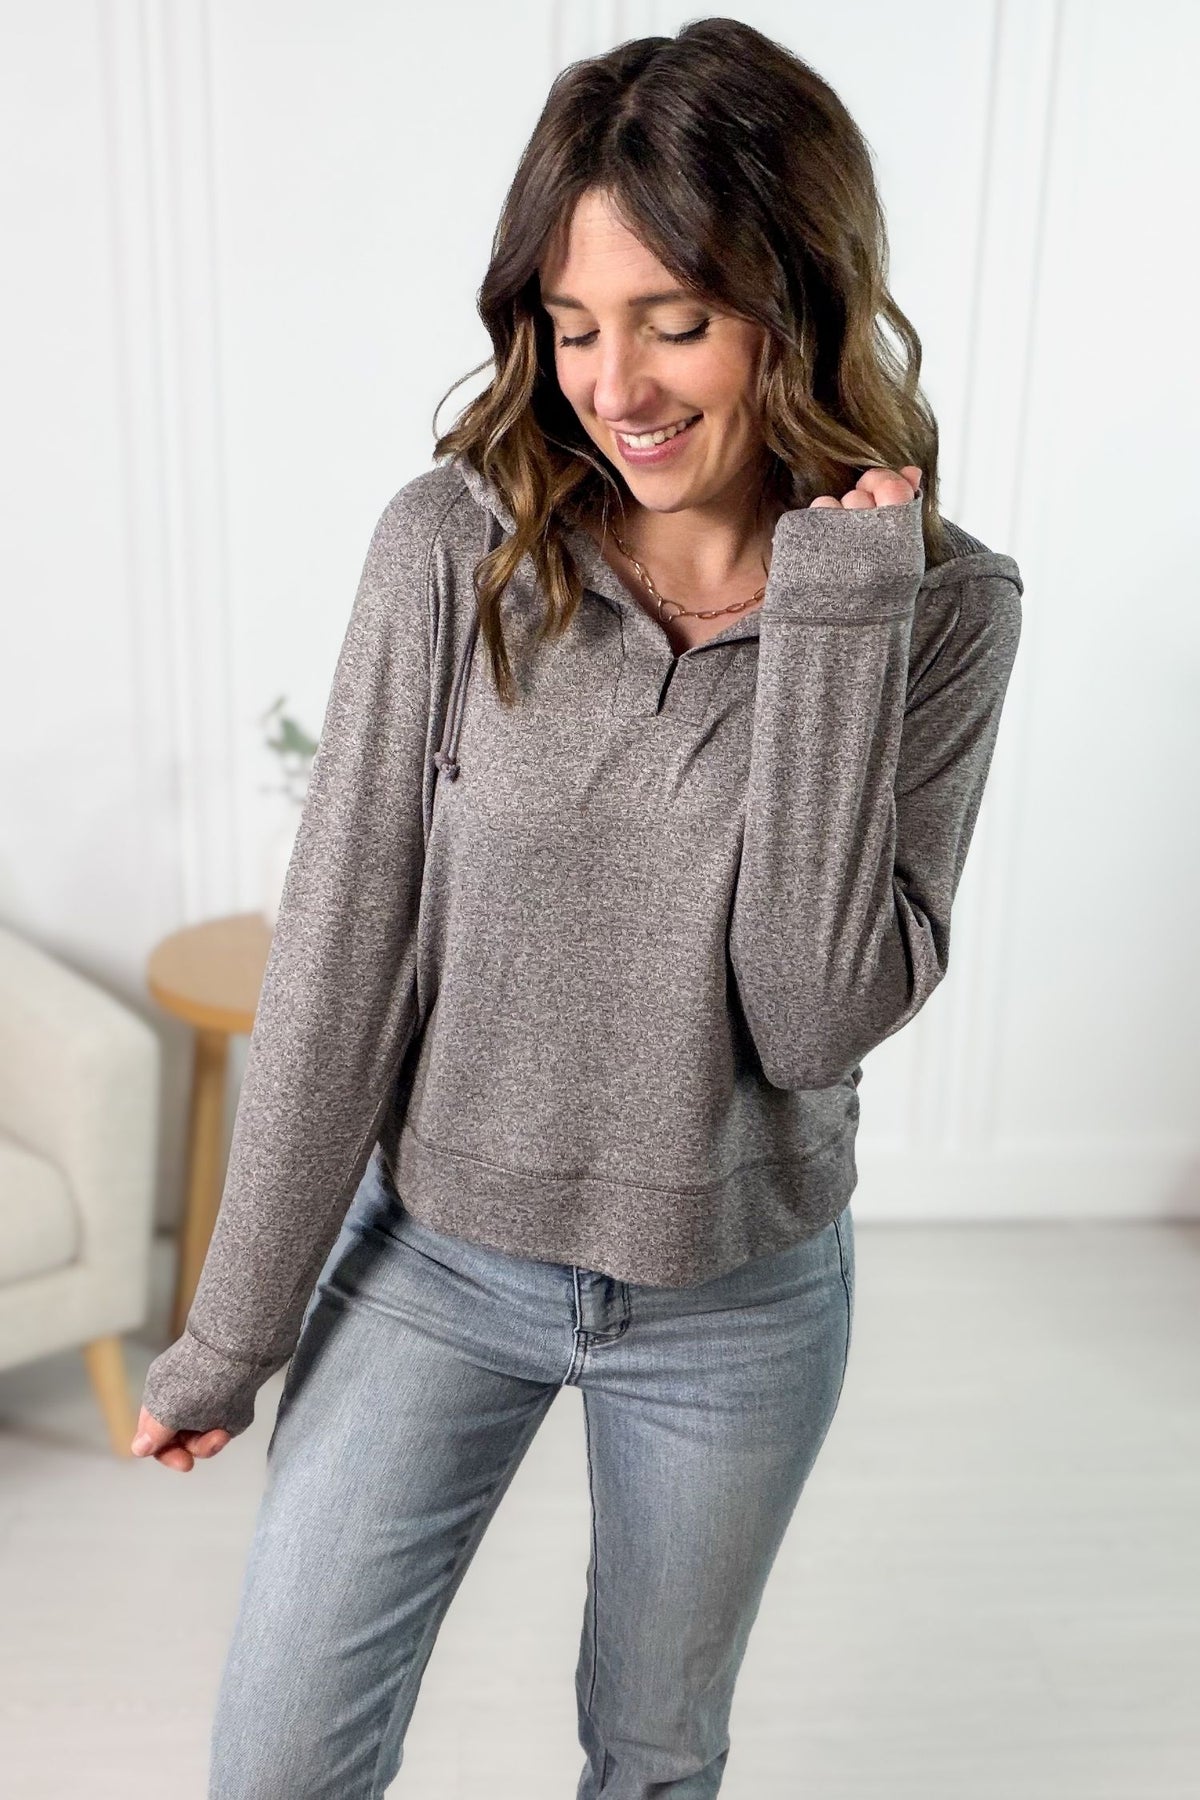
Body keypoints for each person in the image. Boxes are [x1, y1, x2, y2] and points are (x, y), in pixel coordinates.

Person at [132, 18, 1023, 1798]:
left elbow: (814, 1013)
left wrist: (840, 619)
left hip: (739, 1296)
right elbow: (341, 961)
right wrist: (238, 1326)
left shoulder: (943, 608)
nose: (614, 384)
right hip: (434, 1256)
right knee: (280, 1762)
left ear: (798, 295)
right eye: (573, 323)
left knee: (653, 1756)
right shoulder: (454, 549)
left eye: (674, 320)